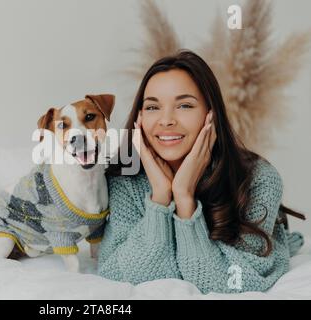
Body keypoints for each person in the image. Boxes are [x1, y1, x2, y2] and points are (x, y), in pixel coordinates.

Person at [98, 50, 306, 294]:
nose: (166, 120)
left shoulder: (258, 179)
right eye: (153, 107)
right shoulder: (125, 178)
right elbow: (121, 273)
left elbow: (225, 283)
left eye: (184, 105)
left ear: (211, 114)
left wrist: (184, 197)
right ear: (140, 117)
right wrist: (161, 197)